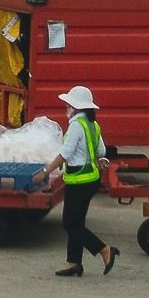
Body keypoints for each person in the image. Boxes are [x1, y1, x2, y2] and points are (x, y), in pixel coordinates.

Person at [52, 86, 118, 277]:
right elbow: (101, 151)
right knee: (76, 221)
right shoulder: (92, 125)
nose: (66, 107)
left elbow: (65, 153)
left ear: (75, 107)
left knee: (70, 223)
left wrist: (45, 171)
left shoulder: (76, 126)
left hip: (79, 181)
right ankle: (74, 263)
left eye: (68, 104)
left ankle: (104, 250)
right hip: (90, 179)